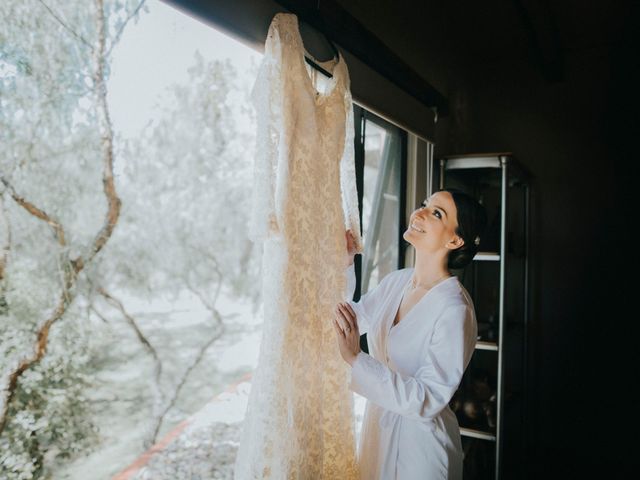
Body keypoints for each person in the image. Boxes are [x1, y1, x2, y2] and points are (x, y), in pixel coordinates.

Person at [332, 188, 487, 479]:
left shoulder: (455, 310)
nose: (420, 213)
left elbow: (428, 397)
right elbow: (347, 321)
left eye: (437, 213)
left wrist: (357, 359)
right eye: (424, 205)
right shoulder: (397, 282)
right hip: (377, 433)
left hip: (422, 451)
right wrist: (345, 264)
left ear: (455, 240)